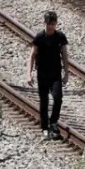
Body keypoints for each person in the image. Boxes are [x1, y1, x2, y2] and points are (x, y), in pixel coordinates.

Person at [27, 11, 69, 141]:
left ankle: (53, 122)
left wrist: (66, 73)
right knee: (44, 101)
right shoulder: (39, 37)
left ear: (56, 24)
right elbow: (32, 56)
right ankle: (45, 128)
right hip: (42, 74)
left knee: (58, 98)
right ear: (45, 23)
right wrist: (29, 74)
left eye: (52, 24)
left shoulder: (60, 37)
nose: (50, 26)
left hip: (55, 74)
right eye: (48, 24)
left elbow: (65, 56)